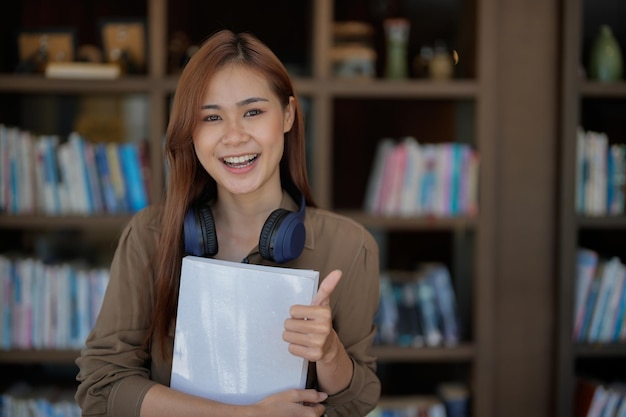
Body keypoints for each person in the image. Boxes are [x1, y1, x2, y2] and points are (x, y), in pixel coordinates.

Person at [75, 29, 381, 417]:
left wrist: (329, 352)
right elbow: (102, 390)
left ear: (287, 115)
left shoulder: (349, 246)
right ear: (191, 131)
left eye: (253, 111)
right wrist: (243, 415)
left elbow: (355, 403)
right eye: (211, 117)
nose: (234, 136)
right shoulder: (150, 235)